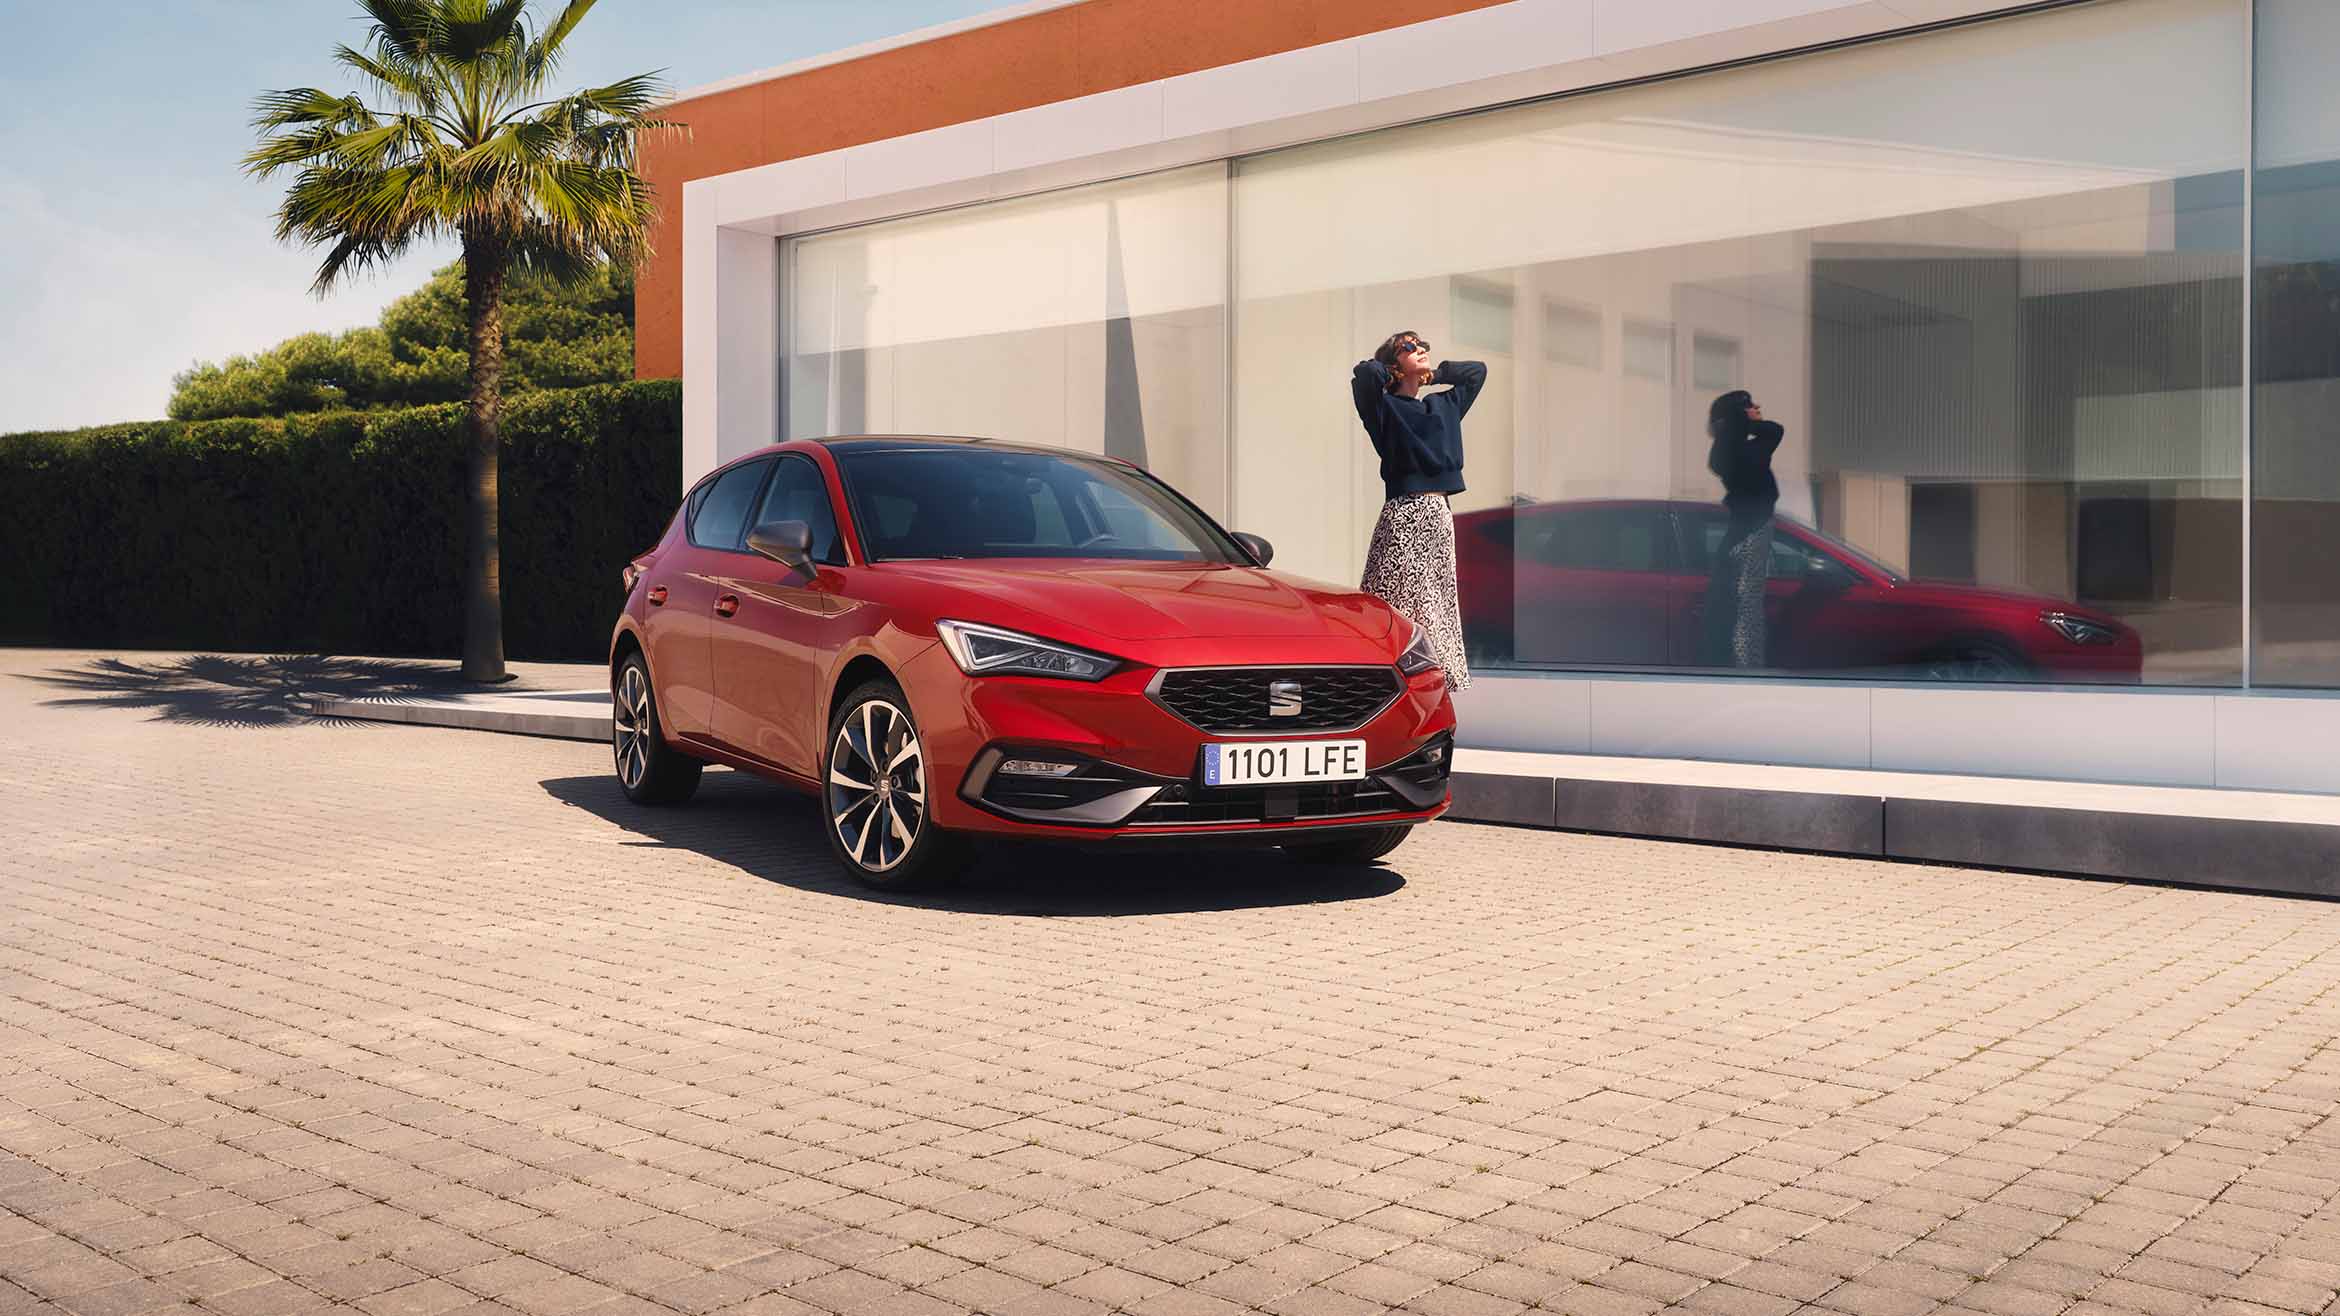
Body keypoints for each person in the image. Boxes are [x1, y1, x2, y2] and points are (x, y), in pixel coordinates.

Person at [1352, 332, 1486, 692]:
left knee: (1436, 601)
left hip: (1438, 513)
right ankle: (1379, 678)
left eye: (1422, 344)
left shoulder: (1443, 405)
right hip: (1403, 511)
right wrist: (1392, 370)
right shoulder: (1383, 409)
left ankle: (1431, 686)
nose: (1421, 349)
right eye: (1409, 347)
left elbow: (1476, 372)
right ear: (1394, 363)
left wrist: (1433, 372)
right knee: (1393, 600)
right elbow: (1364, 375)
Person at [1702, 389, 1786, 668]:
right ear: (1739, 415)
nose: (1757, 407)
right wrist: (1745, 421)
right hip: (1752, 534)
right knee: (1748, 606)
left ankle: (1741, 662)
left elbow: (1773, 431)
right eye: (1750, 406)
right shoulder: (1747, 454)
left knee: (1742, 604)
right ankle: (1747, 666)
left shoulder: (1731, 453)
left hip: (1742, 533)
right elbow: (1775, 430)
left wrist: (1740, 421)